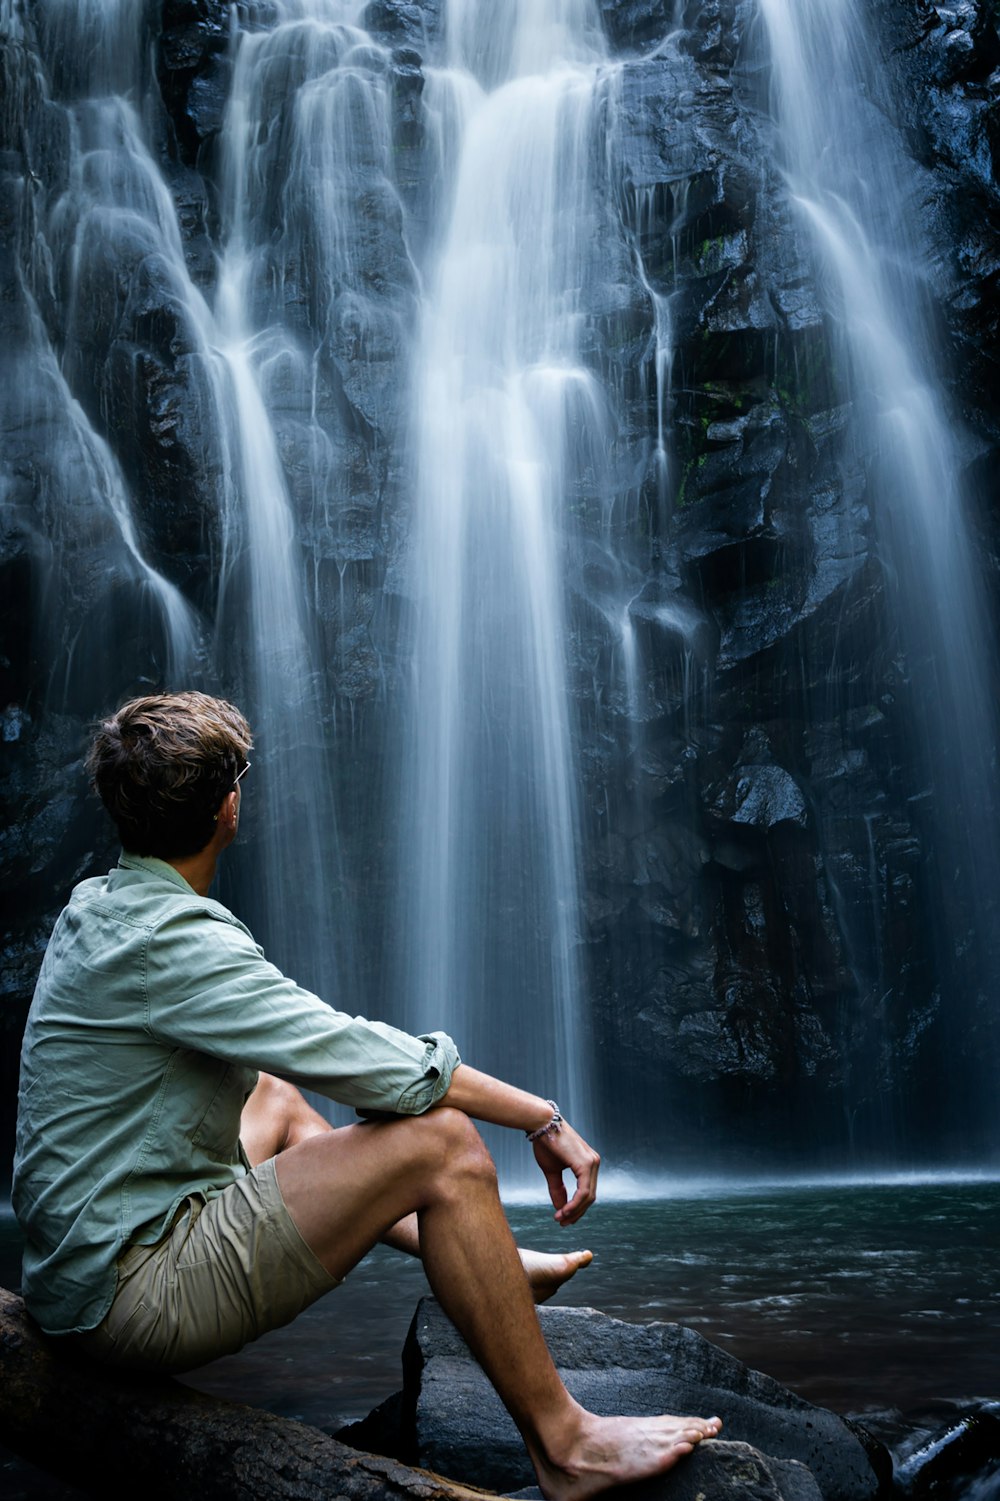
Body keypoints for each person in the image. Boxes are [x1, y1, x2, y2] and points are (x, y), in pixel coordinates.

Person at [13, 692, 722, 1500]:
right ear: (228, 807)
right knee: (444, 1143)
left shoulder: (99, 904)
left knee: (272, 1093)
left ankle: (483, 1257)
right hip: (129, 1294)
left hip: (73, 1268)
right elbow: (370, 1063)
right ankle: (568, 1444)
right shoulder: (175, 941)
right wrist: (541, 1114)